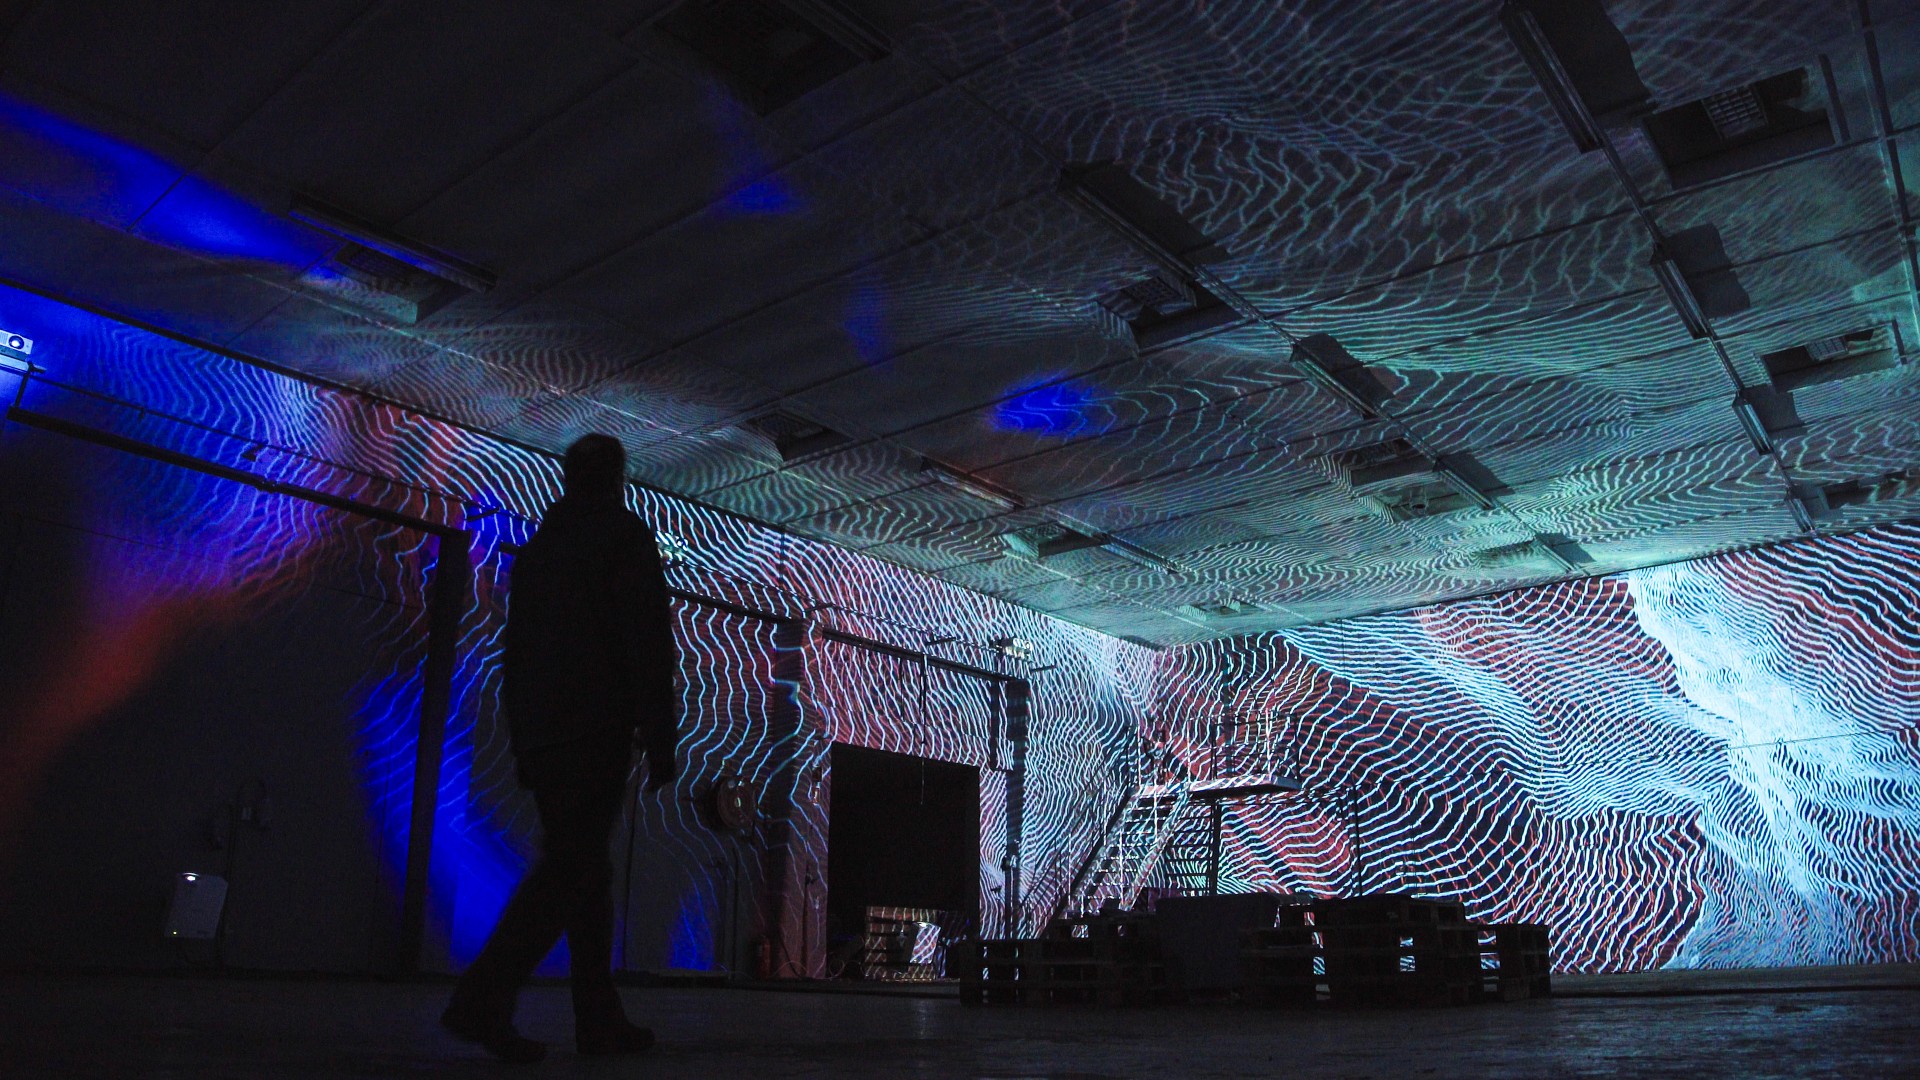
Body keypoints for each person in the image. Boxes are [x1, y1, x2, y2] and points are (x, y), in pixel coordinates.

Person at [441, 434, 679, 1063]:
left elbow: (516, 652)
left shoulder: (542, 550)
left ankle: (598, 1020)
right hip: (595, 731)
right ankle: (483, 999)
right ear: (618, 479)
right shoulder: (623, 536)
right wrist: (660, 733)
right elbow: (646, 637)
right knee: (571, 870)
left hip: (547, 737)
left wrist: (524, 740)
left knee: (585, 873)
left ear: (569, 479)